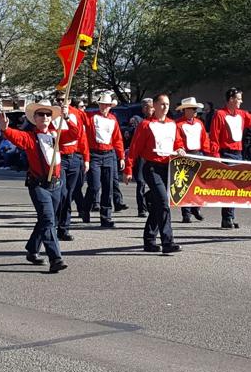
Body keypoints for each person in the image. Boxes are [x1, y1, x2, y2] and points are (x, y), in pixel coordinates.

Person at [0, 100, 76, 273]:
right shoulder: (30, 137)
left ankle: (32, 249)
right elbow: (14, 136)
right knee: (48, 220)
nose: (45, 117)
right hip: (39, 185)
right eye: (41, 114)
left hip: (56, 184)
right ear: (35, 118)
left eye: (48, 115)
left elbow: (75, 135)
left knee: (45, 220)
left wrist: (67, 117)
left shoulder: (57, 136)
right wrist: (4, 129)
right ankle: (56, 258)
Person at [209, 87, 251, 229]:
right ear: (231, 99)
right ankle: (227, 217)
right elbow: (214, 138)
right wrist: (216, 157)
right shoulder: (220, 115)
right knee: (228, 186)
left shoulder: (242, 114)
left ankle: (230, 216)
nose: (241, 101)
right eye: (239, 98)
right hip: (226, 153)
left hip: (238, 154)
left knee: (235, 186)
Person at [125, 94, 185, 253]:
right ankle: (167, 242)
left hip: (168, 167)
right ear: (155, 106)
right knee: (164, 203)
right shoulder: (145, 125)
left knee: (159, 203)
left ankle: (149, 239)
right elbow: (134, 149)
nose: (165, 107)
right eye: (162, 104)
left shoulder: (173, 124)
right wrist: (128, 169)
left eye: (167, 104)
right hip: (151, 167)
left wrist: (180, 149)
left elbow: (178, 142)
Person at [81, 93, 124, 228]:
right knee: (94, 186)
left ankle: (106, 217)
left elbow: (117, 139)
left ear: (110, 107)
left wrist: (121, 156)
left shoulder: (113, 119)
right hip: (94, 154)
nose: (105, 107)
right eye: (103, 104)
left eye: (107, 105)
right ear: (99, 105)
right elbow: (79, 118)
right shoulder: (91, 117)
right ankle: (85, 208)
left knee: (108, 187)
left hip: (109, 154)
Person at [52, 92, 88, 241]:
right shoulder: (52, 115)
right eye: (58, 100)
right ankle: (53, 224)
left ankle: (64, 228)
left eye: (63, 99)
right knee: (61, 193)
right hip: (60, 158)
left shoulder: (76, 114)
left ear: (69, 100)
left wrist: (86, 158)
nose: (61, 102)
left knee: (70, 194)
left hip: (74, 157)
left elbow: (81, 136)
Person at [175, 97, 209, 223]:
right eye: (193, 109)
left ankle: (196, 208)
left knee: (198, 184)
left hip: (198, 154)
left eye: (196, 109)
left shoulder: (199, 123)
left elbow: (204, 140)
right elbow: (177, 140)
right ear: (185, 110)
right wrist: (180, 149)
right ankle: (186, 212)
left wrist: (207, 154)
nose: (195, 111)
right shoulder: (178, 124)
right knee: (185, 184)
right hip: (185, 156)